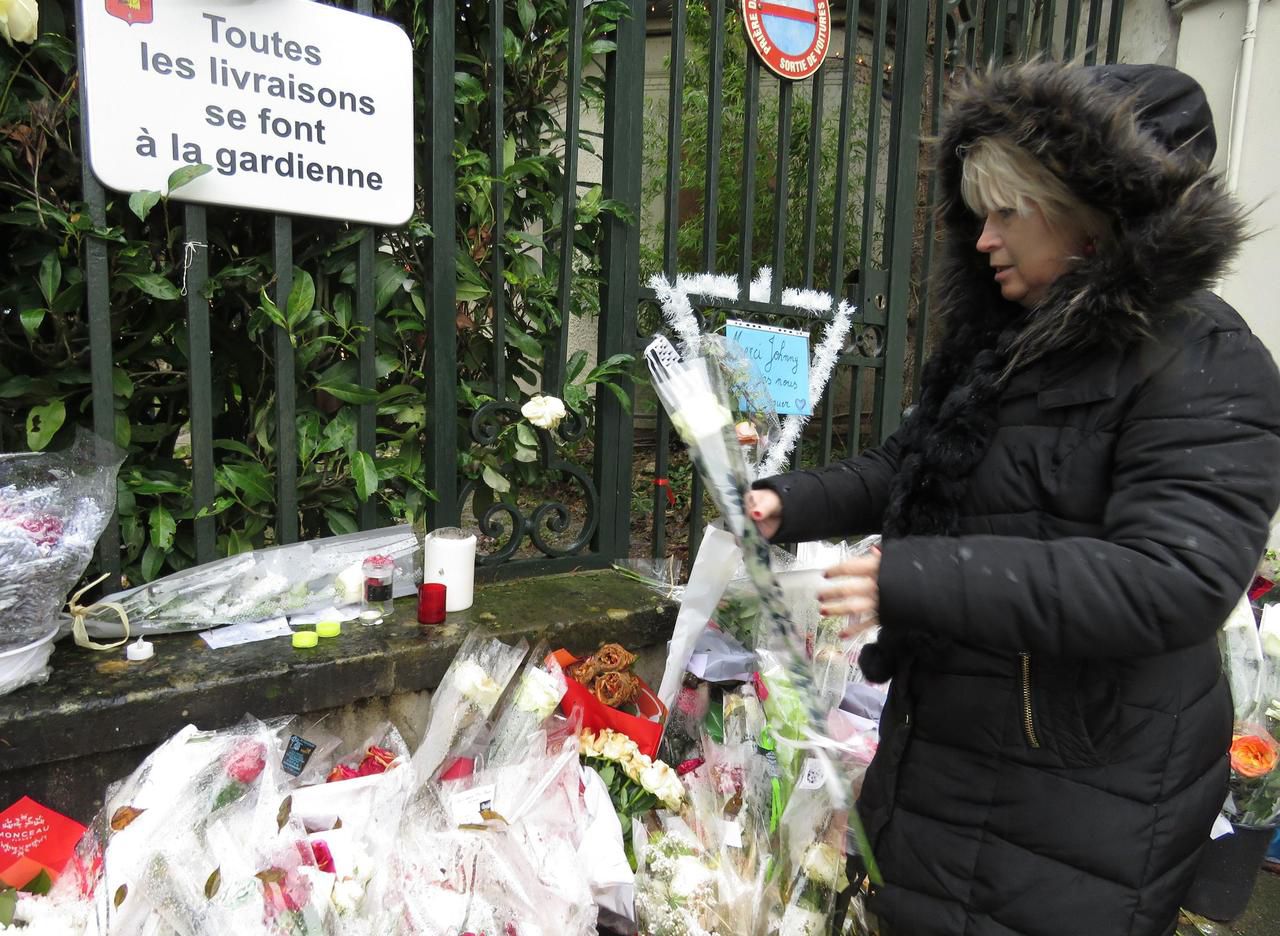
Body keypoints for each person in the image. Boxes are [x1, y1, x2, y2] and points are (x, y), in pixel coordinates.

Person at [747, 62, 1280, 936]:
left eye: (1006, 212)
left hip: (1079, 790)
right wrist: (788, 502)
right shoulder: (1016, 343)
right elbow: (918, 464)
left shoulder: (1205, 360)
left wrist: (912, 578)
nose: (983, 238)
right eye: (978, 214)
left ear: (1091, 215)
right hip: (961, 752)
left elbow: (1170, 579)